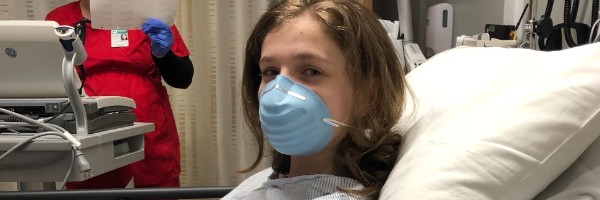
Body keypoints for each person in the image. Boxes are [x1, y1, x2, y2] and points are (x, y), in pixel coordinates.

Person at [224, 0, 409, 199]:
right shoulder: (267, 180)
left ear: (368, 96)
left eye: (311, 71)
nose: (278, 90)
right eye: (270, 71)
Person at [45, 0, 193, 189]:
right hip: (88, 132)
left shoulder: (147, 12)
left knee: (152, 188)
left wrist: (164, 54)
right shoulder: (59, 20)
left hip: (147, 129)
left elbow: (183, 79)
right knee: (92, 188)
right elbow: (47, 75)